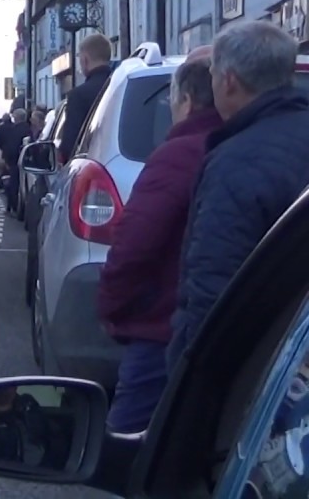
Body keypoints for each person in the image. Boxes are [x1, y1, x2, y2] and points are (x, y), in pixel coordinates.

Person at [168, 21, 309, 370]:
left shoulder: (236, 163)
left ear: (228, 81)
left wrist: (195, 375)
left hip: (263, 366)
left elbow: (214, 284)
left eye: (213, 74)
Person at [97, 57, 221, 433]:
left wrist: (112, 308)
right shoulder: (253, 144)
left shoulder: (179, 154)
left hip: (164, 330)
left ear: (186, 100)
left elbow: (134, 245)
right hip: (254, 329)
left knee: (129, 445)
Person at [58, 34, 113, 163]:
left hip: (92, 164)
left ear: (85, 60)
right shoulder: (124, 86)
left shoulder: (78, 95)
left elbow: (69, 146)